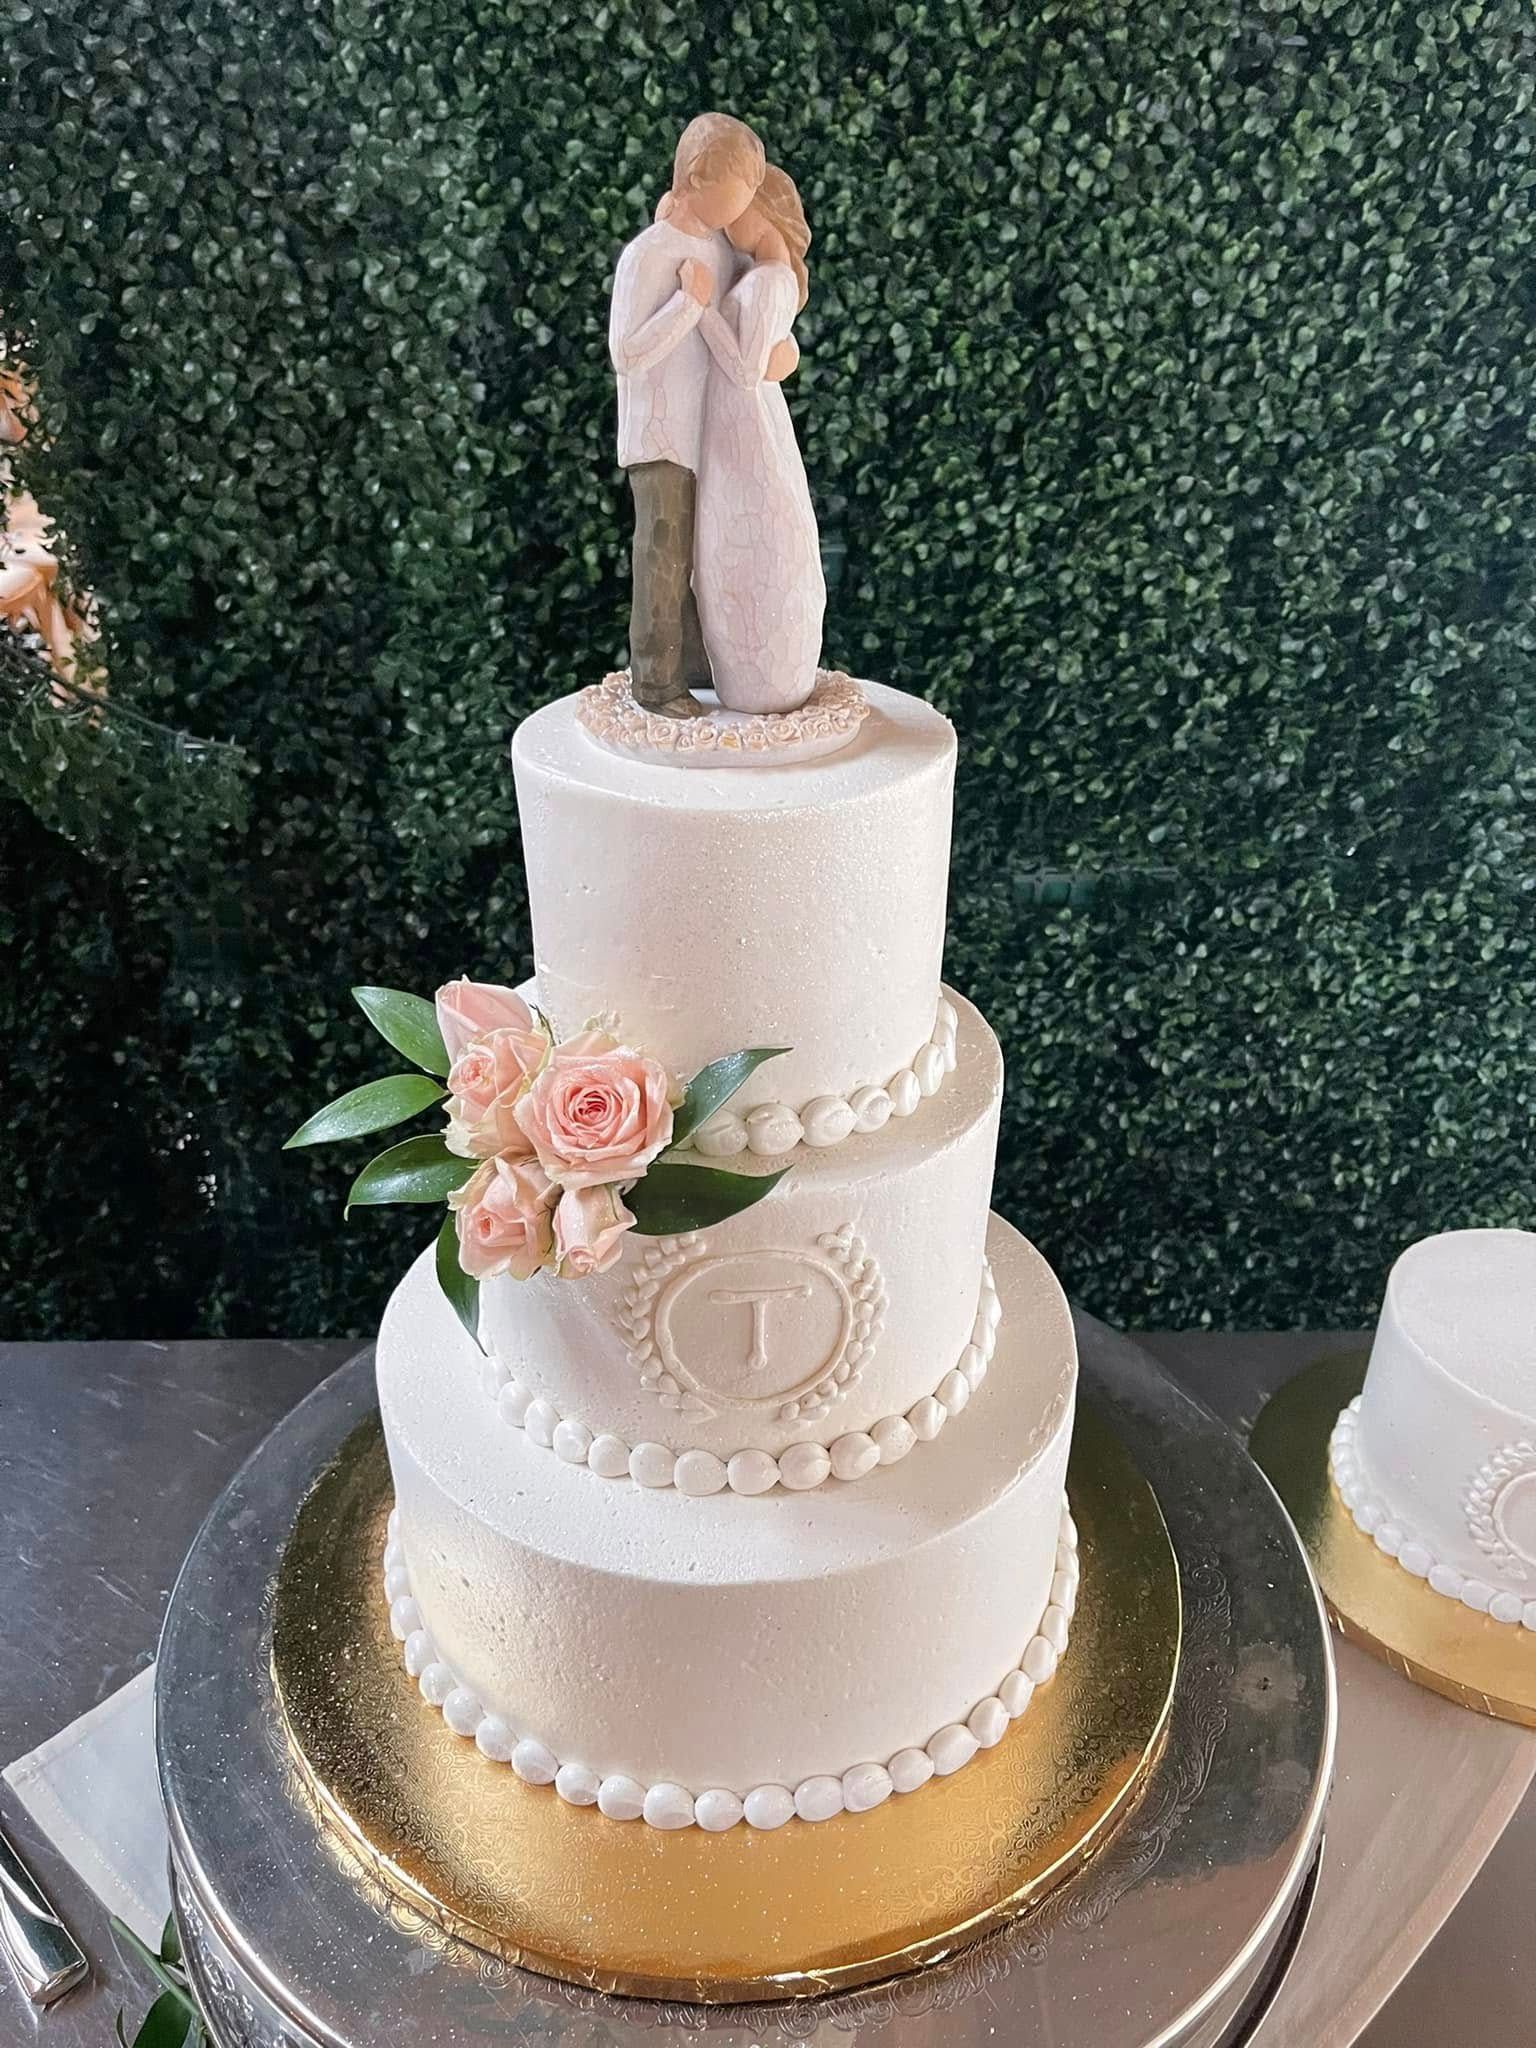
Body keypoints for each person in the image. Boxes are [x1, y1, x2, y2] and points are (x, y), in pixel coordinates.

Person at [607, 114, 764, 718]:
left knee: (705, 555)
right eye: (742, 184)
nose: (748, 198)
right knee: (664, 555)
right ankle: (655, 681)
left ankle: (698, 666)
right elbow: (627, 352)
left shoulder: (720, 250)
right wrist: (685, 305)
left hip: (711, 431)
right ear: (699, 176)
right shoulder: (647, 255)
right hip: (660, 436)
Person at [691, 166, 825, 715]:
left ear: (764, 210)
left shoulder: (772, 280)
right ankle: (745, 670)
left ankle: (766, 678)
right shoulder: (757, 275)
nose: (728, 223)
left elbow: (746, 369)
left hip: (746, 423)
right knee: (725, 544)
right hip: (735, 422)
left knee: (749, 543)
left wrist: (699, 309)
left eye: (740, 206)